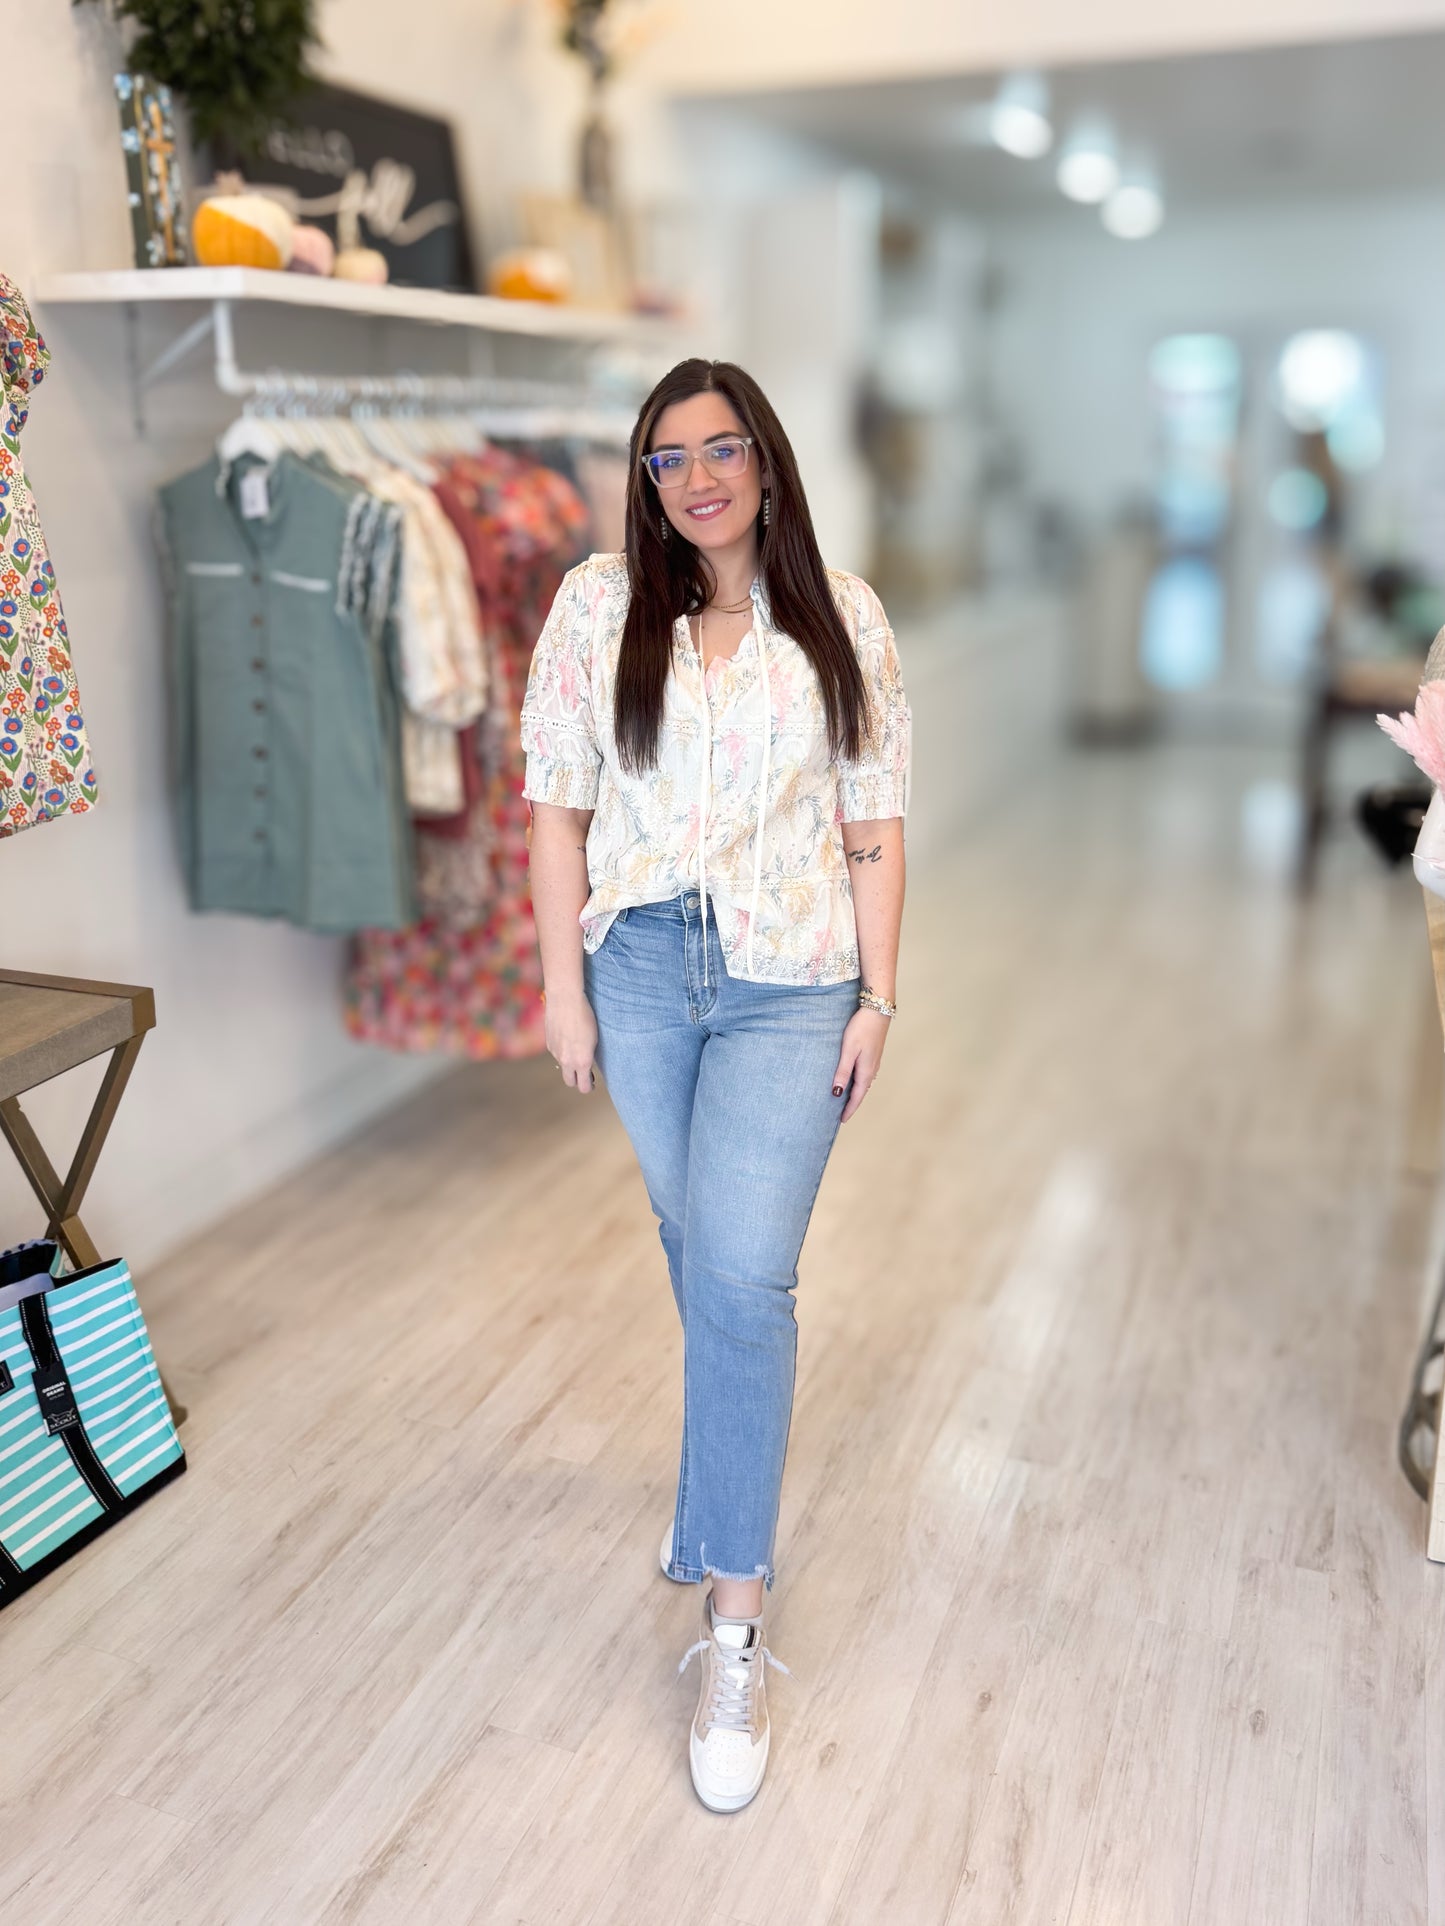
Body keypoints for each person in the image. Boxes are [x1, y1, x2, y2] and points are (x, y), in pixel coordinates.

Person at [520, 357, 910, 1813]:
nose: (694, 477)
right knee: (697, 1253)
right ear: (645, 477)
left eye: (720, 448)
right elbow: (556, 809)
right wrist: (564, 989)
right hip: (639, 974)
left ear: (765, 461)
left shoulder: (842, 617)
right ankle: (712, 1505)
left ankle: (731, 1627)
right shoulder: (590, 606)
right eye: (665, 456)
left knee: (741, 1278)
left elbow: (871, 824)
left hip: (791, 978)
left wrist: (876, 992)